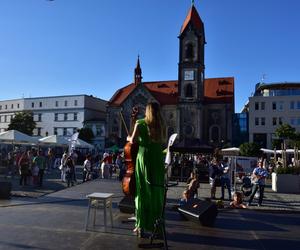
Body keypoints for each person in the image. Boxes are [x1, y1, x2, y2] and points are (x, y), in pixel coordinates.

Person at [127, 102, 166, 237]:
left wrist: (128, 136)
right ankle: (157, 227)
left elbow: (133, 140)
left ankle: (141, 226)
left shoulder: (141, 123)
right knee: (157, 192)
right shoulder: (162, 124)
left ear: (147, 111)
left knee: (142, 191)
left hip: (144, 157)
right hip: (157, 158)